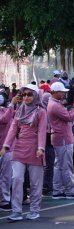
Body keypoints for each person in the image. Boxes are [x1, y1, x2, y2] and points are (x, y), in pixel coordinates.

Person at [0, 84, 47, 220]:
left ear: (35, 96)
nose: (26, 97)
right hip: (19, 148)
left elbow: (42, 131)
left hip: (35, 149)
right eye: (24, 95)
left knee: (35, 182)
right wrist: (6, 145)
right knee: (16, 179)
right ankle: (16, 211)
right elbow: (13, 129)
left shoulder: (40, 112)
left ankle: (35, 209)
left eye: (29, 94)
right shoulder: (20, 110)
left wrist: (41, 148)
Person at [47, 82, 74, 199]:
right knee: (66, 166)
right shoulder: (55, 105)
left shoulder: (53, 104)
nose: (63, 94)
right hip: (63, 138)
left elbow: (67, 115)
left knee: (59, 165)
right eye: (62, 92)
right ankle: (70, 191)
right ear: (55, 92)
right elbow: (69, 117)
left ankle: (58, 190)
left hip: (59, 137)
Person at [0, 93, 17, 211]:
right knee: (5, 176)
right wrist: (12, 104)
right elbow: (4, 120)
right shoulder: (7, 110)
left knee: (7, 176)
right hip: (3, 148)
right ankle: (4, 201)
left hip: (8, 147)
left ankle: (4, 200)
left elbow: (18, 115)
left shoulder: (6, 109)